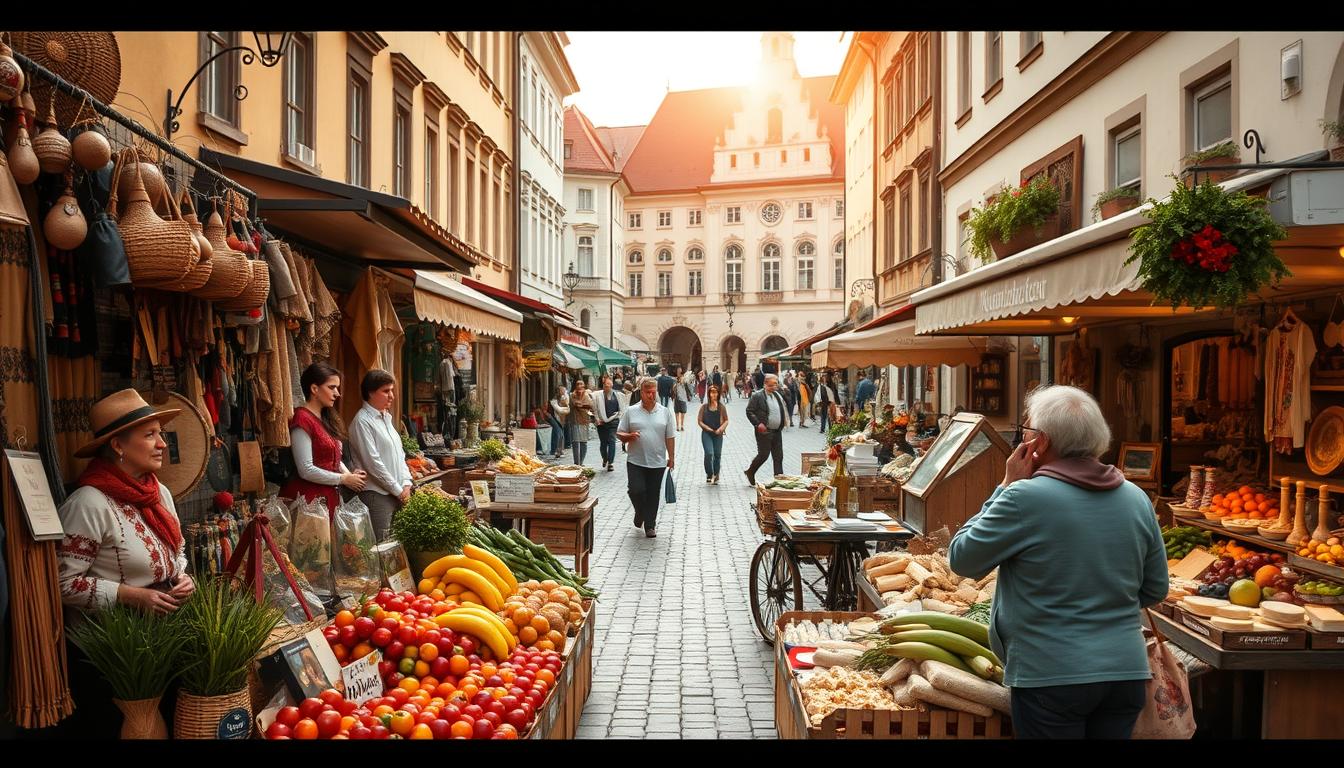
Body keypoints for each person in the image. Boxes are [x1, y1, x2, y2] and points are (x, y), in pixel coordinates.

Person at [948, 386, 1168, 739]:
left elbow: (963, 558)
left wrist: (1005, 484)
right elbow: (1156, 588)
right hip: (1124, 671)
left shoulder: (1023, 497)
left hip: (1050, 674)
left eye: (1027, 431)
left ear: (1040, 442)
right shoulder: (1136, 497)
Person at [57, 389, 196, 737]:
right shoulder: (89, 503)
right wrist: (130, 596)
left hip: (161, 643)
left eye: (159, 434)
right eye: (150, 435)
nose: (162, 443)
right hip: (114, 660)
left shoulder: (158, 492)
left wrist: (183, 576)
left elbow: (176, 548)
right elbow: (62, 583)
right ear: (118, 445)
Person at [283, 363, 366, 514]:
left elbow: (333, 457)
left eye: (337, 388)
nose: (337, 393)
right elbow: (305, 469)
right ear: (314, 389)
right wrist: (344, 479)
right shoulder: (302, 418)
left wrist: (349, 475)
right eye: (332, 387)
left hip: (327, 498)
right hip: (308, 501)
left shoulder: (326, 419)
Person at [348, 369, 414, 541]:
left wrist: (406, 483)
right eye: (386, 391)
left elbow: (400, 456)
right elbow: (373, 464)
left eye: (392, 390)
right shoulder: (362, 421)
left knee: (398, 549)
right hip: (377, 495)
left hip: (397, 492)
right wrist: (399, 491)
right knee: (382, 548)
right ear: (370, 392)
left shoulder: (387, 419)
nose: (391, 396)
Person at [616, 379, 675, 538]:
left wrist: (672, 457)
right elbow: (620, 433)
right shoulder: (631, 411)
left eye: (653, 392)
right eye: (647, 392)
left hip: (657, 461)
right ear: (641, 393)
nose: (651, 395)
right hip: (636, 460)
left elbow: (670, 436)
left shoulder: (664, 412)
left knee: (653, 493)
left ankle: (650, 525)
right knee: (636, 490)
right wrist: (629, 436)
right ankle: (640, 513)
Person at [744, 373, 792, 485]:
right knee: (763, 455)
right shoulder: (757, 396)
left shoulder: (777, 395)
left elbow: (786, 404)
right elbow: (749, 411)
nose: (775, 386)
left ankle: (779, 480)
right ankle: (750, 471)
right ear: (765, 384)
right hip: (764, 431)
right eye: (772, 384)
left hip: (777, 431)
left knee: (778, 456)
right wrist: (757, 423)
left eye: (776, 384)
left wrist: (787, 391)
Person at [698, 384, 729, 484]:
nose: (713, 394)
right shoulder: (704, 407)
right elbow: (699, 421)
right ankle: (709, 473)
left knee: (717, 454)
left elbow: (726, 420)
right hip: (707, 433)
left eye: (715, 392)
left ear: (718, 394)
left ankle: (716, 474)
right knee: (709, 453)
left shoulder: (721, 407)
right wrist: (707, 428)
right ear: (709, 394)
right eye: (711, 392)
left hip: (718, 434)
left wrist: (721, 429)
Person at [594, 375, 625, 471]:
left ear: (612, 385)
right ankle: (604, 458)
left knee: (612, 441)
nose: (607, 387)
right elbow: (595, 409)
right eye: (605, 385)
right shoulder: (598, 396)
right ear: (603, 386)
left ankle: (610, 463)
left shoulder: (618, 395)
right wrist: (597, 419)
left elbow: (621, 409)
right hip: (602, 422)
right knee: (603, 442)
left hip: (614, 421)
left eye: (609, 385)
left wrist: (618, 418)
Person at [568, 379, 596, 466]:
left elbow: (591, 405)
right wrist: (582, 405)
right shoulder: (572, 395)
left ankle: (581, 462)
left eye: (581, 384)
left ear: (584, 386)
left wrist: (582, 405)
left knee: (583, 442)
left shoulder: (587, 395)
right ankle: (576, 463)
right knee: (575, 442)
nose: (579, 386)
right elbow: (575, 404)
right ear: (575, 386)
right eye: (578, 384)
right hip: (575, 421)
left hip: (584, 421)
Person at [550, 386, 572, 459]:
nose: (564, 392)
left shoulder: (563, 398)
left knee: (562, 435)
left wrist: (566, 408)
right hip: (554, 418)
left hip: (562, 419)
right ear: (559, 391)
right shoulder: (554, 400)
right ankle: (555, 450)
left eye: (565, 390)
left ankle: (560, 450)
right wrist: (566, 408)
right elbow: (559, 410)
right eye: (563, 390)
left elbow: (568, 405)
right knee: (559, 434)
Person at [673, 365, 690, 431]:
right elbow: (673, 389)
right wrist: (674, 386)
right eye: (678, 370)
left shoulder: (684, 378)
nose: (679, 371)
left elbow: (687, 384)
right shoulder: (674, 379)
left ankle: (682, 426)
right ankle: (677, 426)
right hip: (676, 398)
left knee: (683, 413)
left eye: (680, 370)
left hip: (683, 398)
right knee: (677, 413)